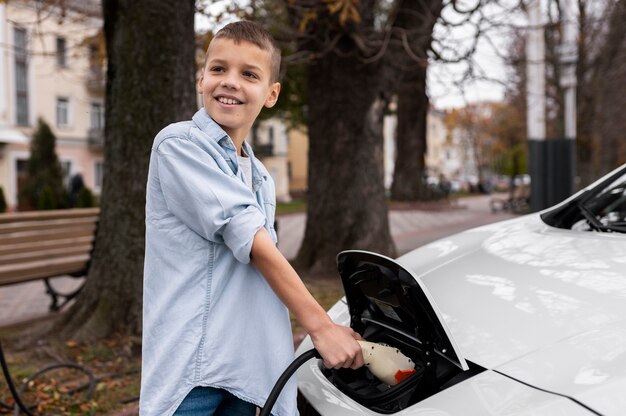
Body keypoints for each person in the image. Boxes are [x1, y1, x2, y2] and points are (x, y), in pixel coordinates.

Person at [140, 21, 364, 416]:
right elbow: (252, 240)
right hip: (193, 369)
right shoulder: (179, 145)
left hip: (244, 367)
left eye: (249, 74)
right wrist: (321, 327)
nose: (230, 82)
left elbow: (258, 269)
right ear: (201, 79)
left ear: (271, 94)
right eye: (218, 69)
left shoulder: (259, 175)